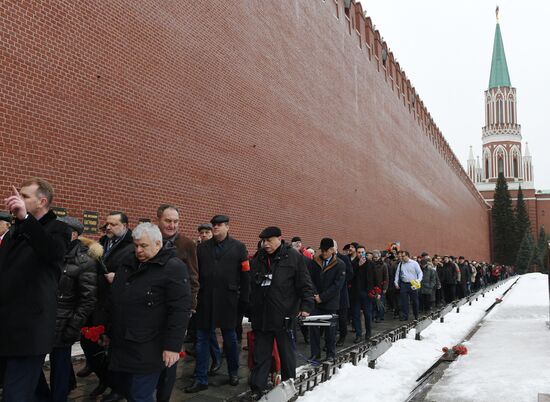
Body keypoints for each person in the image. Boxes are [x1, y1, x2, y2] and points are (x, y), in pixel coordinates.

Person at [0, 178, 71, 401]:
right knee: (27, 390)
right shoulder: (17, 230)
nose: (19, 199)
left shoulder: (59, 229)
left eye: (25, 196)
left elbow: (51, 251)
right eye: (19, 195)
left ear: (42, 201)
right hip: (7, 326)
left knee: (15, 395)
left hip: (30, 328)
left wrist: (26, 218)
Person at [106, 222, 191, 402]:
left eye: (143, 246)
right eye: (136, 245)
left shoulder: (173, 267)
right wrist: (108, 330)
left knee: (140, 395)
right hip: (123, 342)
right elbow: (115, 300)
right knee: (128, 391)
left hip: (150, 345)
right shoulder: (127, 263)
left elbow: (179, 310)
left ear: (158, 244)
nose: (138, 250)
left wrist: (172, 346)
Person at [35, 216, 100, 402]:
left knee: (60, 367)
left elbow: (88, 299)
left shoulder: (84, 260)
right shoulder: (49, 253)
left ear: (72, 234)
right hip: (41, 319)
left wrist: (73, 327)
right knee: (31, 364)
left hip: (65, 323)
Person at [185, 215, 250, 393]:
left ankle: (233, 372)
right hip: (205, 301)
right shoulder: (202, 248)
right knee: (201, 340)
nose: (215, 227)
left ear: (228, 227)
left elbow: (245, 276)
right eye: (214, 225)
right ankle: (200, 378)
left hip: (228, 301)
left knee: (230, 340)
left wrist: (244, 301)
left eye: (219, 225)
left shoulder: (238, 247)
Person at [248, 226, 314, 397]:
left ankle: (288, 386)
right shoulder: (259, 258)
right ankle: (257, 388)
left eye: (269, 240)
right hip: (262, 316)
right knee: (260, 355)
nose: (265, 244)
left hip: (284, 315)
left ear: (279, 239)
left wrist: (306, 306)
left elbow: (305, 283)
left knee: (286, 355)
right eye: (263, 241)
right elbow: (250, 285)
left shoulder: (293, 257)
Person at [81, 212, 134, 402]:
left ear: (125, 225)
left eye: (114, 224)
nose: (108, 227)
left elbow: (135, 274)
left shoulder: (132, 246)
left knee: (112, 348)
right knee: (88, 341)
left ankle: (117, 388)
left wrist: (118, 278)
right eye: (107, 224)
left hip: (114, 304)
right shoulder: (102, 242)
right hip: (96, 301)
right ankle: (104, 378)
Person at [155, 205, 199, 401]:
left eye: (176, 221)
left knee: (170, 356)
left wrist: (190, 307)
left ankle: (163, 396)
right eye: (168, 220)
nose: (172, 225)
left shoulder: (187, 244)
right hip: (152, 307)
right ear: (159, 220)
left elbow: (194, 278)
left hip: (177, 309)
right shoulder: (151, 240)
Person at [308, 238, 346, 361]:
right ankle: (315, 353)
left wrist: (322, 297)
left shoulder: (340, 264)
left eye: (326, 251)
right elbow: (309, 279)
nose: (323, 253)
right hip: (315, 301)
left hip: (330, 302)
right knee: (313, 328)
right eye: (322, 250)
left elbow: (337, 285)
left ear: (332, 250)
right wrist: (315, 295)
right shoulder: (314, 262)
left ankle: (330, 353)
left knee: (330, 329)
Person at [394, 250, 423, 321]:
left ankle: (416, 315)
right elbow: (397, 274)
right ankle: (405, 316)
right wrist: (396, 282)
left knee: (414, 300)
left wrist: (418, 280)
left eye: (403, 256)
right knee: (404, 301)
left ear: (407, 256)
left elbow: (420, 273)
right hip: (404, 284)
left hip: (413, 283)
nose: (401, 257)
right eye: (401, 256)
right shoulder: (400, 264)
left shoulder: (414, 263)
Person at [371, 250, 389, 322]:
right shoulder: (371, 264)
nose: (375, 258)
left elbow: (386, 277)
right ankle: (374, 316)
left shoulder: (383, 265)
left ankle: (380, 316)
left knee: (380, 302)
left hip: (380, 286)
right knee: (374, 302)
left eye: (376, 257)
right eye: (374, 257)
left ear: (379, 257)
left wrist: (385, 287)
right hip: (372, 286)